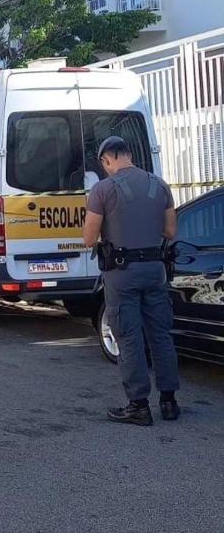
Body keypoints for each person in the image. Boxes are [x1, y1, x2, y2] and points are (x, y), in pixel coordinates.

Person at [83, 136, 180, 426]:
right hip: (155, 270)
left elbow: (89, 238)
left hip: (121, 275)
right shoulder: (160, 185)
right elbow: (170, 231)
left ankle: (138, 405)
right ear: (129, 153)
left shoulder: (102, 189)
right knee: (161, 334)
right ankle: (169, 402)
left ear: (106, 160)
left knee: (129, 337)